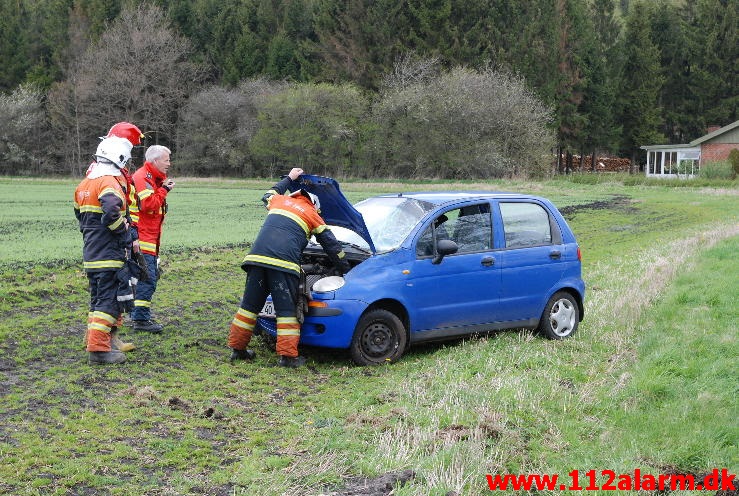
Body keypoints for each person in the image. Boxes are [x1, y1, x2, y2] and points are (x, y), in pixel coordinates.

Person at [228, 168, 351, 368]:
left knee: (248, 309)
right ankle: (287, 357)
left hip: (255, 260)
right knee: (287, 312)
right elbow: (331, 245)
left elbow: (268, 193)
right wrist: (345, 267)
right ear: (315, 205)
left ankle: (237, 349)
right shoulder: (312, 213)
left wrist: (290, 178)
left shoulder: (278, 201)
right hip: (283, 265)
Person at [74, 136, 136, 364]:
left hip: (92, 252)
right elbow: (111, 212)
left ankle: (94, 341)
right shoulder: (109, 182)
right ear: (120, 159)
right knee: (108, 302)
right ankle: (99, 351)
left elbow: (79, 215)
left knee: (97, 301)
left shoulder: (85, 183)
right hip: (109, 254)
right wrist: (124, 233)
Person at [129, 145, 175, 332]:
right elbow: (149, 204)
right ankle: (140, 319)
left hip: (150, 238)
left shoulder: (153, 178)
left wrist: (163, 188)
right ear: (155, 161)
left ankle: (137, 315)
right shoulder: (143, 178)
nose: (169, 164)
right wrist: (163, 190)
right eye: (166, 160)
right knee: (148, 278)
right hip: (143, 237)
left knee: (147, 277)